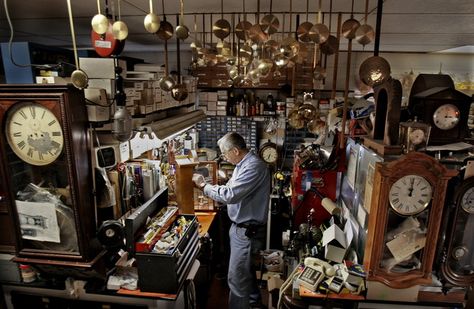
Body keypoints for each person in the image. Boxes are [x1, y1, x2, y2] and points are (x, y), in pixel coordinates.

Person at [192, 132, 271, 309]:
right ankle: (254, 304)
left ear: (235, 150)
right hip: (239, 229)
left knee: (236, 278)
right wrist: (219, 188)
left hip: (247, 232)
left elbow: (231, 195)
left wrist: (204, 185)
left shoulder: (254, 166)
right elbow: (230, 189)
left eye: (225, 153)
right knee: (245, 274)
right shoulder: (241, 165)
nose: (224, 157)